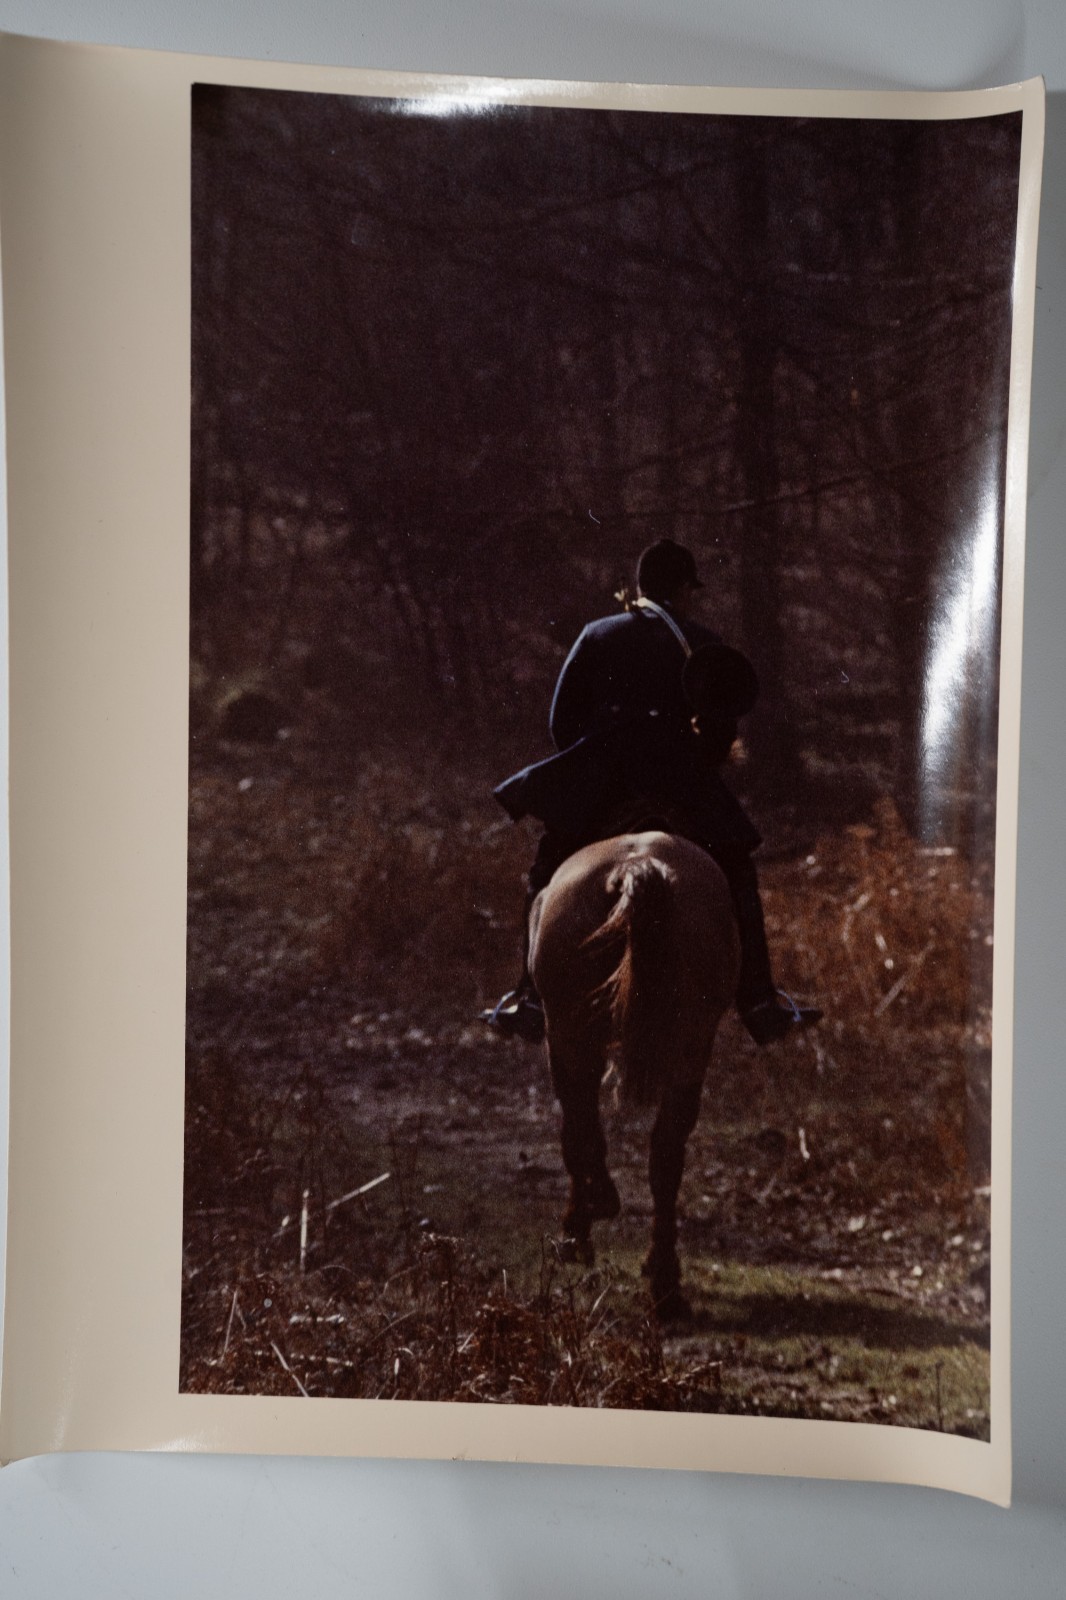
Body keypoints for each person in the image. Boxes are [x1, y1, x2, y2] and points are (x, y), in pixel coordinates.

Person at [483, 537, 822, 1046]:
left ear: (640, 587)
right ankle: (759, 1002)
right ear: (685, 589)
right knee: (738, 876)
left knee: (546, 871)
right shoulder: (704, 641)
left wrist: (601, 757)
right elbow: (720, 733)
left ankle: (529, 997)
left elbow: (561, 724)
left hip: (606, 784)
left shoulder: (596, 634)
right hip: (680, 785)